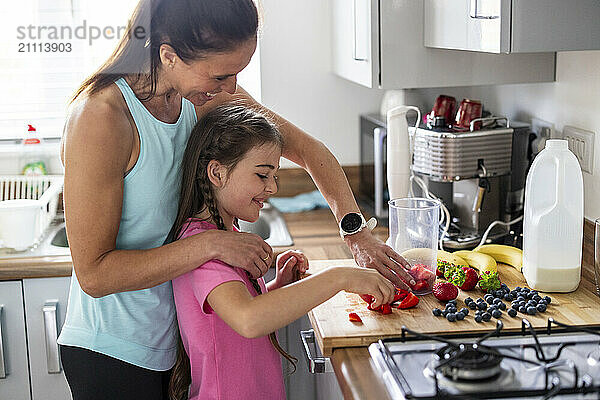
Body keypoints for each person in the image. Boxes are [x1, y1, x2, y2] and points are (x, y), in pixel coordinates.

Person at [57, 0, 414, 399]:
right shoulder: (101, 116)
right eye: (223, 74)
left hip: (170, 348)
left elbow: (310, 151)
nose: (231, 89)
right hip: (111, 354)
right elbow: (94, 275)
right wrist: (213, 243)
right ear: (169, 56)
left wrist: (357, 234)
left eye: (238, 73)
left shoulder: (199, 92)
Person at [169, 104, 396, 400]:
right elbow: (249, 320)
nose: (273, 188)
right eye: (263, 175)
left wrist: (279, 287)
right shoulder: (202, 247)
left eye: (274, 176)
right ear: (217, 172)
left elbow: (231, 317)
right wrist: (339, 277)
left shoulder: (230, 240)